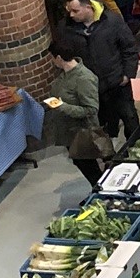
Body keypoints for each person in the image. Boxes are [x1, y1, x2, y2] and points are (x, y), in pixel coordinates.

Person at [64, 0, 140, 144]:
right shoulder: (67, 28)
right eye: (69, 11)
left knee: (130, 118)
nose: (71, 15)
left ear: (88, 7)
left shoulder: (112, 21)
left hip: (117, 81)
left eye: (75, 11)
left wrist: (127, 74)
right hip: (92, 88)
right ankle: (109, 158)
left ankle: (134, 149)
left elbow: (129, 48)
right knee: (103, 127)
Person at [44, 33, 107, 188]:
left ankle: (101, 192)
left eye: (52, 58)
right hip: (69, 133)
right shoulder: (65, 75)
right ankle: (97, 190)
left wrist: (62, 107)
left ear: (58, 58)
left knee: (89, 168)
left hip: (83, 133)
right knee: (82, 165)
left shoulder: (84, 78)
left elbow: (91, 109)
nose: (52, 62)